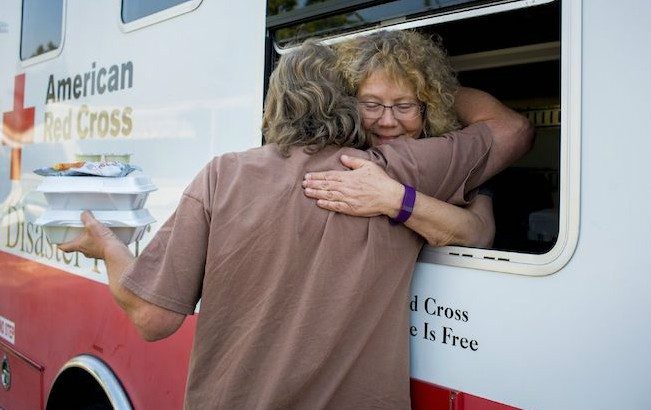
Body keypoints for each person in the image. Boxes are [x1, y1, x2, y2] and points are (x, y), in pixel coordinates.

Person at [59, 41, 497, 410]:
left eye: (402, 105)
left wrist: (107, 246)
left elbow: (152, 318)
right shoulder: (400, 171)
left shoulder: (222, 176)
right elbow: (510, 130)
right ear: (351, 101)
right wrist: (423, 87)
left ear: (275, 104)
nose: (386, 118)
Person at [302, 30, 533, 248]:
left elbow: (480, 234)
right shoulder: (334, 150)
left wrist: (392, 198)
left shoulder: (452, 154)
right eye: (371, 105)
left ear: (428, 108)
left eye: (404, 106)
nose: (388, 121)